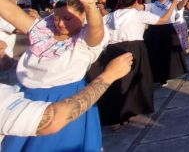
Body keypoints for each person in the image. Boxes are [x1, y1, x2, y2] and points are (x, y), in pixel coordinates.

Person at [0, 0, 108, 152]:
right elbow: (11, 12)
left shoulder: (83, 40)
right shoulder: (43, 30)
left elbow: (97, 28)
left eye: (67, 18)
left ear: (82, 16)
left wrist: (90, 6)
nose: (60, 24)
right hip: (26, 99)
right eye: (57, 18)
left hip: (64, 100)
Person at [90, 0, 178, 128]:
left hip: (113, 49)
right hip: (134, 48)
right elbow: (163, 20)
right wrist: (173, 5)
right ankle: (129, 111)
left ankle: (115, 115)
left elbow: (101, 24)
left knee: (115, 80)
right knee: (133, 80)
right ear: (135, 2)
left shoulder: (112, 15)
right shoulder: (138, 15)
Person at [0, 48, 132, 137]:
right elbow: (52, 120)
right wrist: (109, 75)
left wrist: (7, 62)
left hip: (73, 104)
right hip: (58, 110)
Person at [143, 0, 187, 86]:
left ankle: (164, 77)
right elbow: (142, 7)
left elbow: (181, 5)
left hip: (168, 31)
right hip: (154, 32)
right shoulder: (152, 5)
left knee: (167, 55)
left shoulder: (172, 4)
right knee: (155, 55)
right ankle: (155, 76)